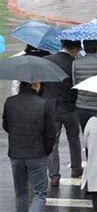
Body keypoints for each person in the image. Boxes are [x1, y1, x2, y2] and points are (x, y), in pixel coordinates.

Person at [3, 81, 56, 212]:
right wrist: (47, 151)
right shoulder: (45, 104)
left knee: (21, 194)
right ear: (35, 85)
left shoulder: (10, 102)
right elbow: (51, 133)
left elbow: (6, 126)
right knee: (39, 194)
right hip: (37, 154)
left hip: (16, 153)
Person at [41, 40, 83, 186]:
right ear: (75, 49)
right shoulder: (76, 63)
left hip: (50, 107)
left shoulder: (46, 61)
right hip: (70, 108)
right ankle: (76, 168)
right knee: (74, 139)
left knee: (52, 143)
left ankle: (53, 175)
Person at [73, 40, 97, 133]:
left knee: (86, 133)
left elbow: (74, 84)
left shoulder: (75, 63)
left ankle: (87, 148)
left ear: (84, 48)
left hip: (81, 105)